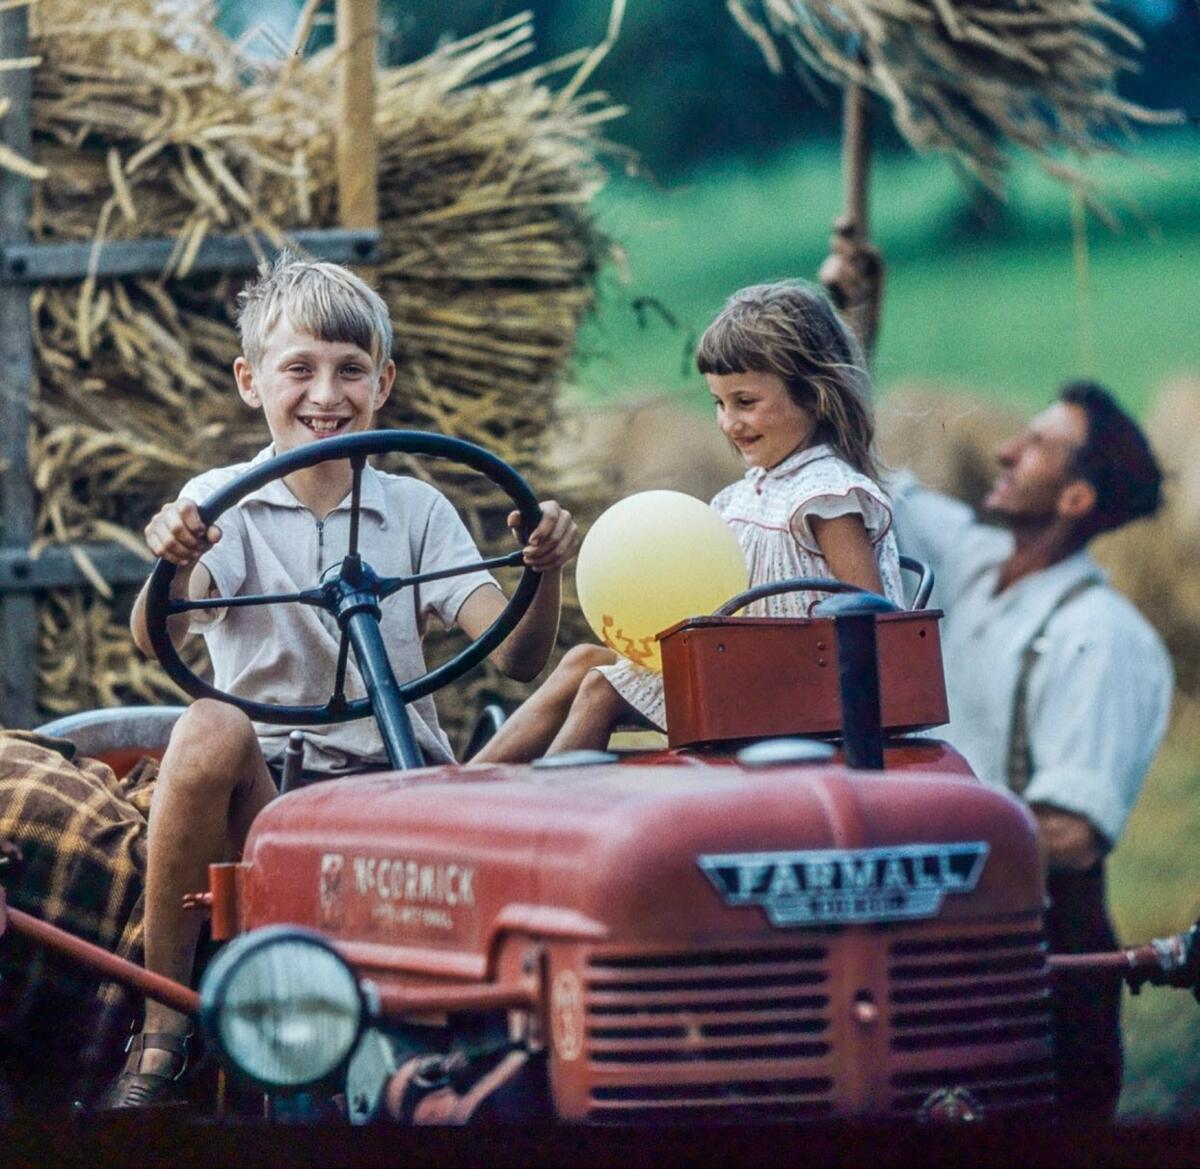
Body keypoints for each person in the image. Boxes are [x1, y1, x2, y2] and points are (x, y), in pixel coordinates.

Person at [98, 254, 578, 1109]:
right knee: (208, 724)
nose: (328, 392)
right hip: (272, 800)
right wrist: (174, 560)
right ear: (251, 382)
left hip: (402, 792)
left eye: (351, 369)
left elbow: (512, 655)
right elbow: (152, 636)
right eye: (300, 369)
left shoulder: (419, 510)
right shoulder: (221, 507)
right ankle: (162, 1028)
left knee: (590, 673)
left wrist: (543, 572)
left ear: (383, 381)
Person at [890, 380, 1173, 1120]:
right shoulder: (973, 562)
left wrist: (893, 845)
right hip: (945, 934)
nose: (1004, 450)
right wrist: (856, 312)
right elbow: (866, 481)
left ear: (1076, 500)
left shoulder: (1104, 637)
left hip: (1039, 959)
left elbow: (1072, 837)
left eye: (1038, 445)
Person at [475, 279, 904, 763]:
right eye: (719, 404)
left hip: (807, 693)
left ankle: (548, 817)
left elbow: (870, 621)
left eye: (746, 402)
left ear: (813, 396)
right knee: (583, 661)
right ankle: (460, 789)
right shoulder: (743, 494)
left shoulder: (825, 495)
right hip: (749, 675)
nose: (728, 422)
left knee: (602, 688)